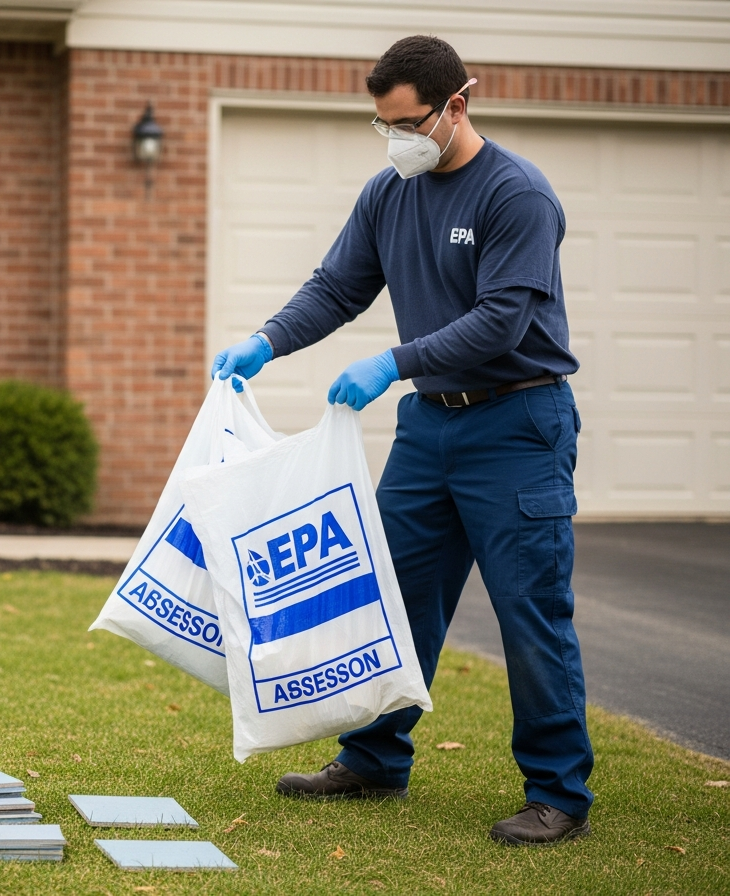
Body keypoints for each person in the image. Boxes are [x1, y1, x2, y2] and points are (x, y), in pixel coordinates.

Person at [211, 35, 592, 846]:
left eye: (410, 124)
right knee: (394, 597)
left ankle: (558, 791)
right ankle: (374, 759)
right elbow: (336, 287)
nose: (397, 141)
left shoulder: (516, 195)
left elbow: (503, 320)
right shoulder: (389, 193)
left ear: (458, 104)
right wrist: (267, 341)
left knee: (530, 611)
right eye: (383, 125)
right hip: (430, 425)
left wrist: (394, 361)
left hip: (517, 423)